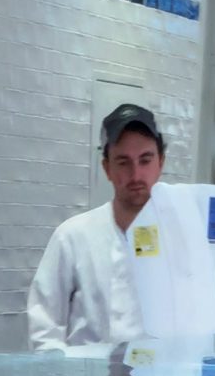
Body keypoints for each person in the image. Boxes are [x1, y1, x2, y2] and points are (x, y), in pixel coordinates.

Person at [27, 104, 170, 350]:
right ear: (107, 168)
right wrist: (62, 371)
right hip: (86, 374)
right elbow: (44, 326)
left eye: (145, 160)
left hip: (162, 372)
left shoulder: (179, 238)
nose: (136, 174)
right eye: (123, 162)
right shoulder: (73, 236)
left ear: (161, 163)